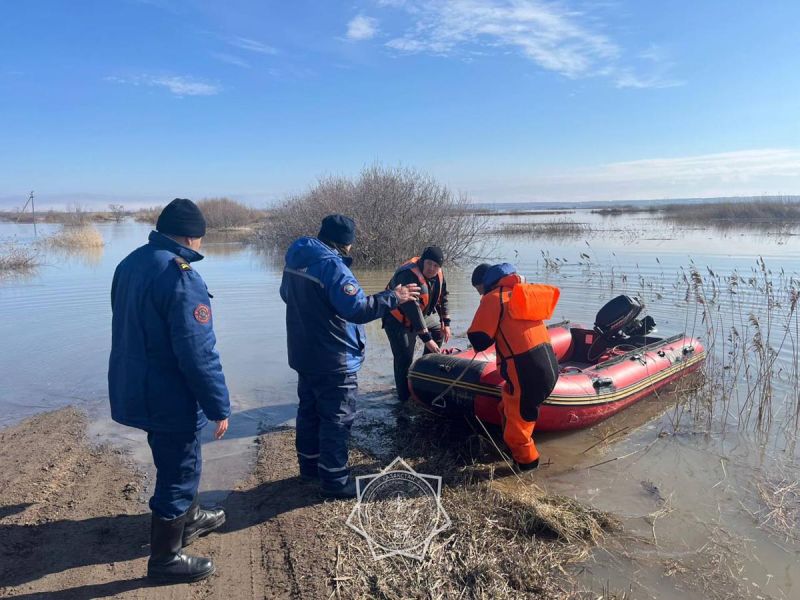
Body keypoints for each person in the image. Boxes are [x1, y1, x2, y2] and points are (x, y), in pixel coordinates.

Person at [109, 198, 230, 584]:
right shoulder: (181, 276)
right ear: (192, 236)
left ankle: (190, 518)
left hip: (136, 385)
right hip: (168, 394)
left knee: (175, 456)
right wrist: (219, 406)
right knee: (180, 468)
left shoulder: (130, 263)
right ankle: (165, 559)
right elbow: (198, 352)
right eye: (200, 239)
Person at [280, 214, 420, 498]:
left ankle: (309, 469)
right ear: (345, 244)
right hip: (333, 357)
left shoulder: (295, 259)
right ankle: (334, 481)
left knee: (308, 411)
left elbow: (286, 295)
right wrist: (395, 296)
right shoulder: (332, 266)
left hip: (303, 353)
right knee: (336, 419)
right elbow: (356, 309)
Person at [467, 263, 560, 471]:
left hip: (527, 371)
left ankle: (527, 469)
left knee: (518, 429)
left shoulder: (493, 299)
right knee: (507, 408)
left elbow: (479, 340)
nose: (479, 293)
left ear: (484, 284)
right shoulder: (521, 293)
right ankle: (510, 452)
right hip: (548, 365)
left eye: (478, 289)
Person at [383, 246, 451, 402]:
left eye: (435, 266)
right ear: (422, 261)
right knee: (404, 358)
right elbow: (411, 308)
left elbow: (444, 297)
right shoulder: (407, 274)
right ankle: (404, 399)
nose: (431, 268)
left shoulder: (438, 274)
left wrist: (445, 323)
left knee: (438, 332)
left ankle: (422, 375)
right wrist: (427, 339)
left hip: (421, 315)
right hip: (397, 319)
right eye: (428, 264)